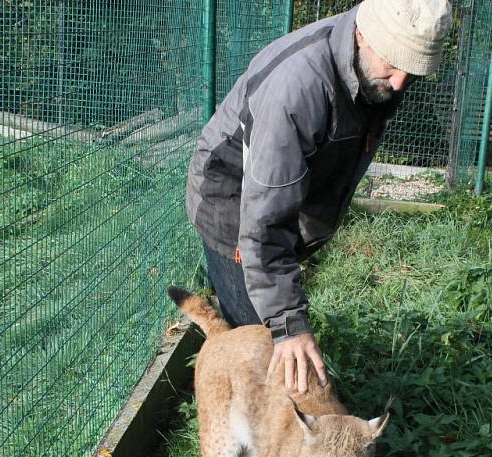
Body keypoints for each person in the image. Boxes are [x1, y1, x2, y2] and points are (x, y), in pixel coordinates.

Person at [185, 0, 452, 393]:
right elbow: (263, 223)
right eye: (395, 64)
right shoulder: (296, 92)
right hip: (235, 205)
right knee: (263, 349)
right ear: (363, 35)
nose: (399, 83)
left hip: (275, 206)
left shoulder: (370, 63)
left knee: (274, 336)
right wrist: (288, 324)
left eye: (413, 70)